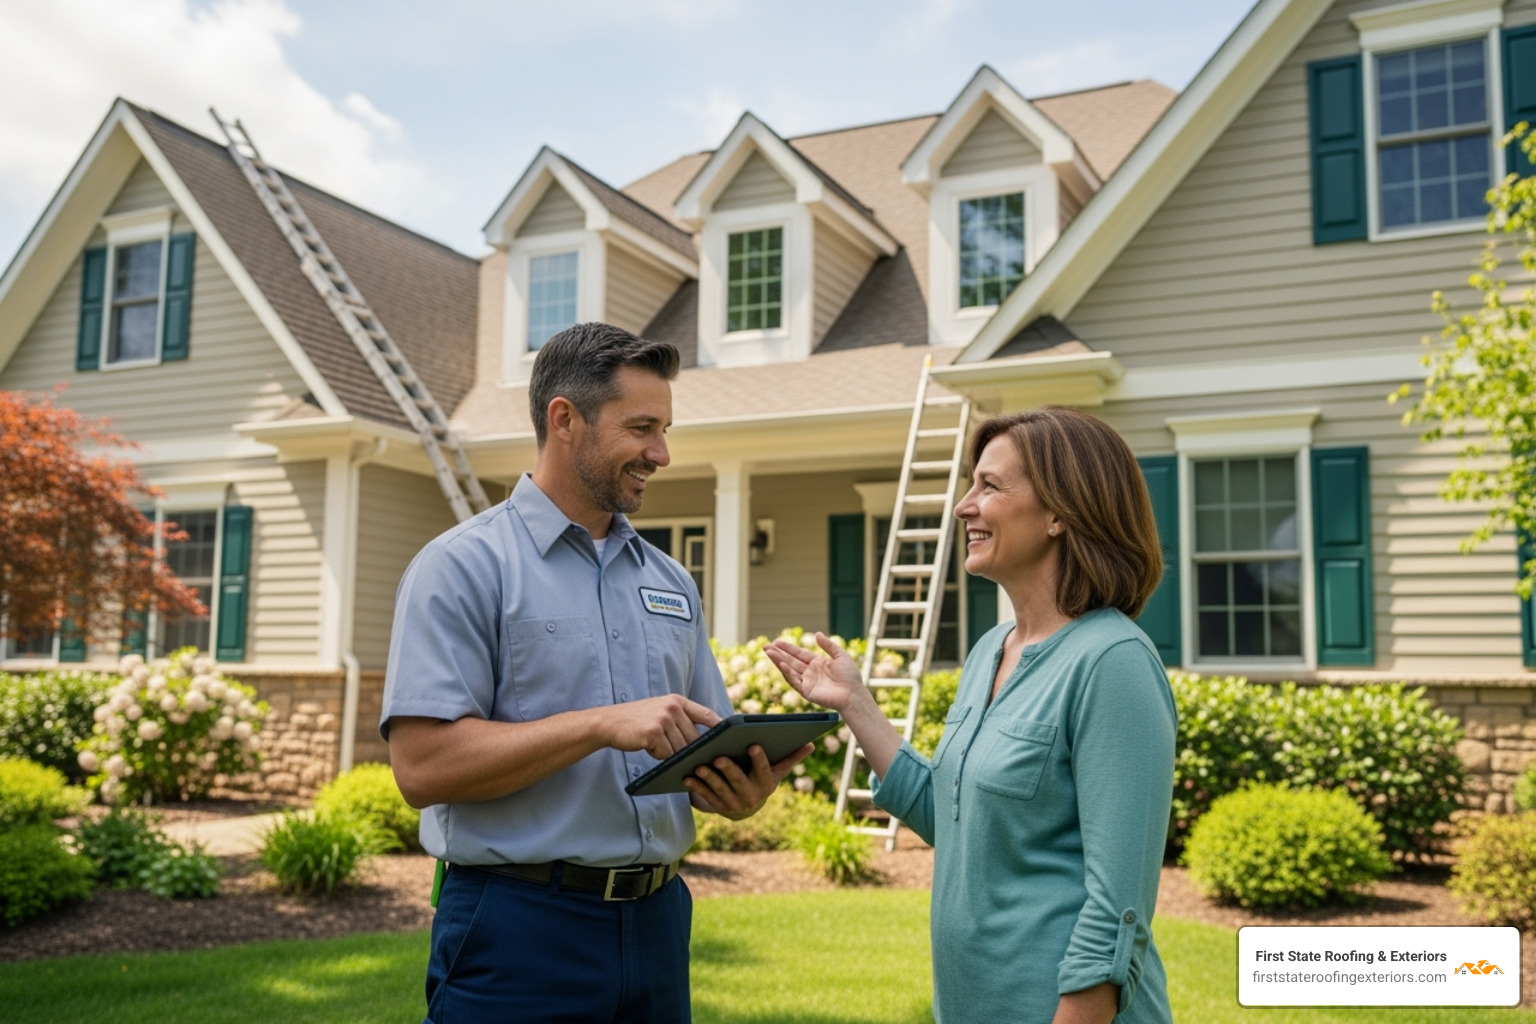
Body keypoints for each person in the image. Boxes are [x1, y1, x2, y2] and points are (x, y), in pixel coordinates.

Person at [382, 322, 809, 1024]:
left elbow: (697, 747)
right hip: (517, 926)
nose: (662, 454)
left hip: (660, 924)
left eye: (665, 429)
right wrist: (602, 725)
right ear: (565, 421)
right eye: (642, 428)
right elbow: (422, 767)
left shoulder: (672, 580)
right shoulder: (461, 567)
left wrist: (738, 786)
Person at [767, 406, 1175, 1024]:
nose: (963, 506)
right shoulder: (991, 652)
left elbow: (1117, 908)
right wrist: (855, 704)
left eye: (990, 486)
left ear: (1063, 512)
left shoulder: (1111, 661)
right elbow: (955, 823)